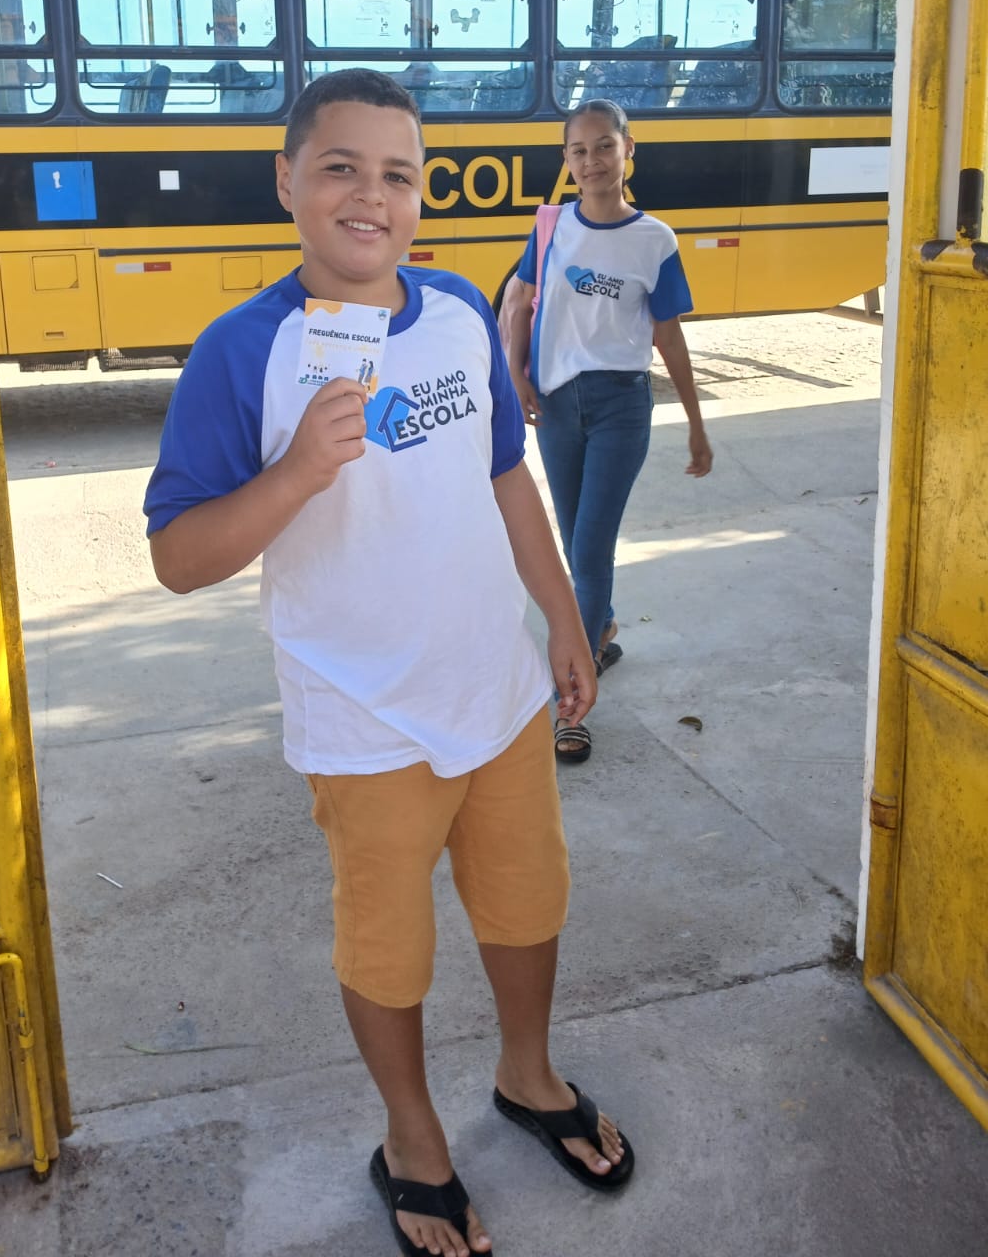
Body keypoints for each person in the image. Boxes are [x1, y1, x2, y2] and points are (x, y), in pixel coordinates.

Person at [145, 70, 635, 1257]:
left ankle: (528, 1075)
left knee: (528, 900)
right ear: (287, 182)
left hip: (498, 692)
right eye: (341, 168)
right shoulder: (243, 351)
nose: (371, 196)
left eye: (397, 174)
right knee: (388, 946)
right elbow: (176, 555)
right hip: (365, 721)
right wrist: (293, 475)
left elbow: (505, 474)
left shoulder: (461, 310)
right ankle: (413, 1140)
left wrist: (565, 621)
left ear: (421, 195)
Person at [501, 98, 712, 765]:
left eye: (603, 147)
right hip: (557, 408)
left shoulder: (655, 240)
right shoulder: (551, 226)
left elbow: (669, 335)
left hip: (621, 407)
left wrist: (696, 423)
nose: (591, 161)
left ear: (628, 151)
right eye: (579, 150)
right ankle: (602, 627)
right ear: (566, 161)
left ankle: (569, 706)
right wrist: (516, 377)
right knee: (576, 547)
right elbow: (518, 302)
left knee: (588, 557)